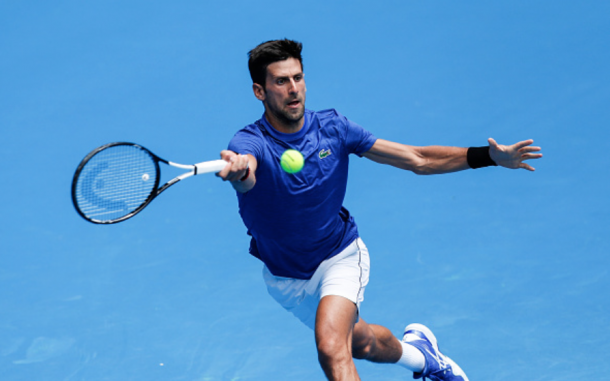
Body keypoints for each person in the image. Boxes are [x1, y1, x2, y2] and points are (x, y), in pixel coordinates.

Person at [216, 39, 542, 381]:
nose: (293, 89)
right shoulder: (248, 143)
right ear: (259, 91)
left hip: (338, 255)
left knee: (331, 347)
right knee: (362, 343)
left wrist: (489, 157)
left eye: (298, 77)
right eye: (281, 81)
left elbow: (418, 159)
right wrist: (240, 170)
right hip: (286, 278)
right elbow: (246, 173)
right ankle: (423, 357)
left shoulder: (333, 129)